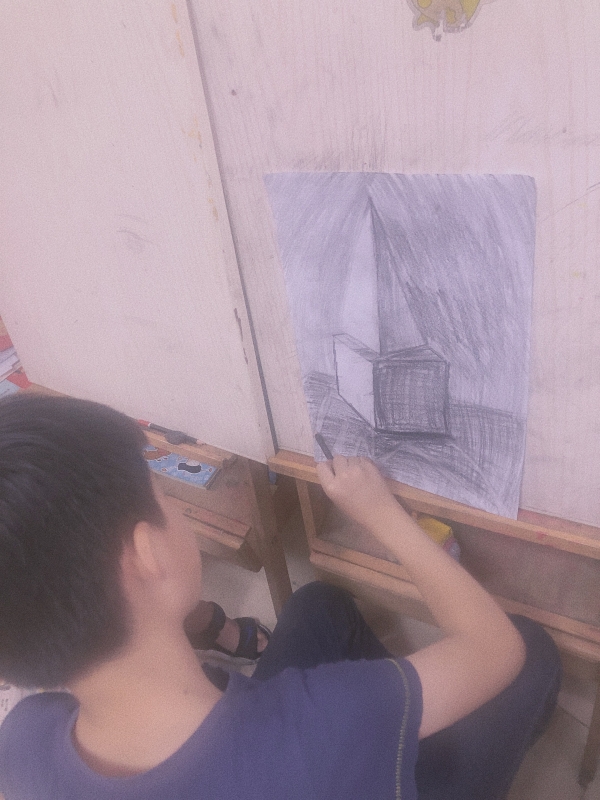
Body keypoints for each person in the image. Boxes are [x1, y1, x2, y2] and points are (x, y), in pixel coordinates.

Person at [0, 394, 560, 799]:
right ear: (147, 555)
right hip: (329, 757)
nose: (169, 503)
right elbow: (494, 649)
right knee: (530, 649)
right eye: (161, 492)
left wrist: (176, 614)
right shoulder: (327, 723)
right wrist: (381, 514)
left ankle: (419, 711)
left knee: (319, 607)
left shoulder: (21, 744)